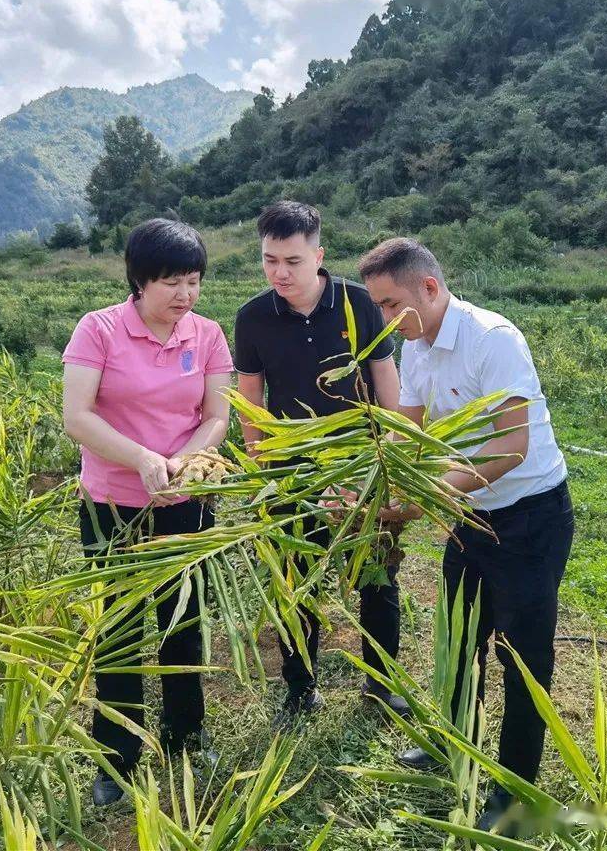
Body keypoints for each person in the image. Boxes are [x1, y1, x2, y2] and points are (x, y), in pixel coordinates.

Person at [358, 237, 573, 832]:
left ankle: (515, 790)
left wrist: (428, 496)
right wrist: (380, 491)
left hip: (529, 516)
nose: (384, 318)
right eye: (376, 305)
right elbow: (409, 433)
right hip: (470, 517)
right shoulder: (416, 347)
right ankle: (454, 743)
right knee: (460, 636)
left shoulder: (492, 339)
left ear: (429, 287)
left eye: (389, 302)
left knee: (523, 658)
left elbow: (512, 445)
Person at [62, 218, 233, 806]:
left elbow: (216, 416)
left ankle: (186, 734)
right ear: (138, 281)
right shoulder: (99, 330)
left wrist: (183, 463)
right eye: (171, 283)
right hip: (114, 502)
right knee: (119, 627)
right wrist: (141, 460)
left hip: (186, 502)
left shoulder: (207, 334)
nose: (184, 296)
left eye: (193, 281)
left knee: (183, 621)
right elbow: (78, 417)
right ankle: (117, 756)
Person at [234, 200, 407, 727]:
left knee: (377, 578)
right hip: (292, 472)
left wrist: (394, 456)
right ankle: (300, 687)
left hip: (361, 468)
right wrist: (261, 466)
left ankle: (380, 684)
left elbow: (385, 376)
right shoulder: (253, 317)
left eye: (292, 261)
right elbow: (250, 396)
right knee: (294, 579)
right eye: (269, 261)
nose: (280, 273)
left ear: (319, 256)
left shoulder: (358, 303)